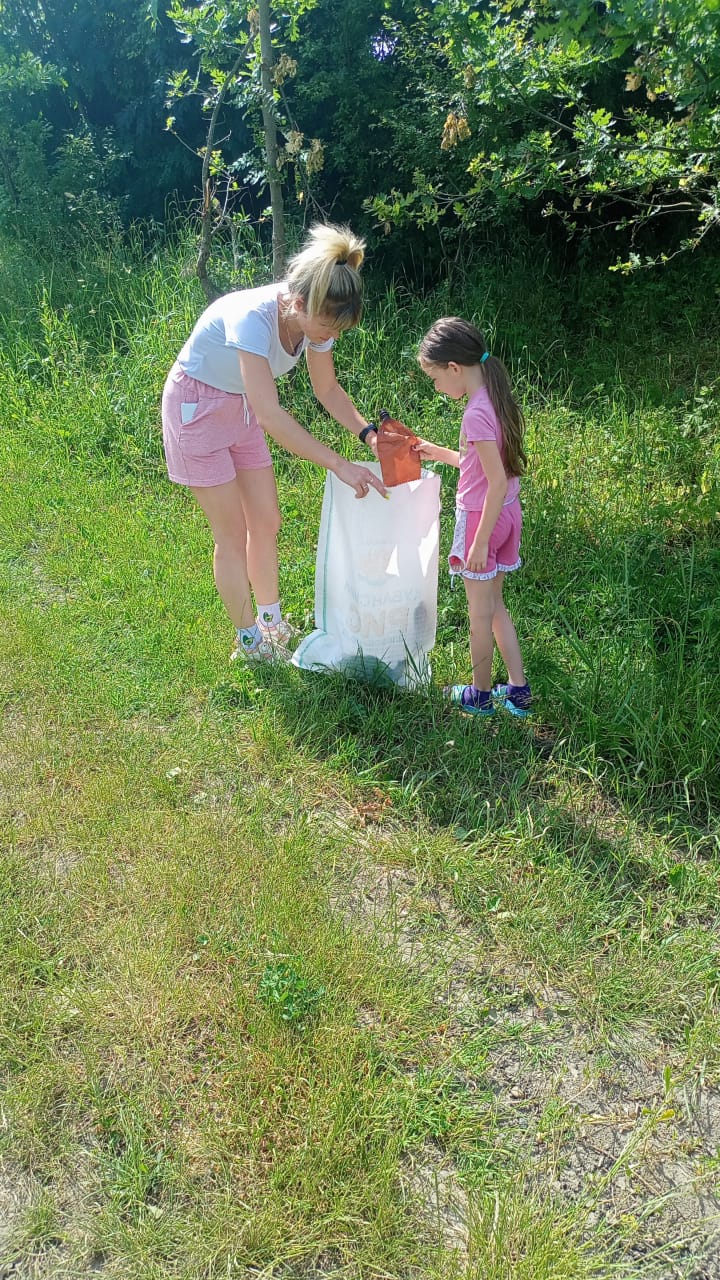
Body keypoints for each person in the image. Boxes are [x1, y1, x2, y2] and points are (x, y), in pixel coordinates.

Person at [161, 223, 384, 663]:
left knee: (266, 521)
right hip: (196, 408)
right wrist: (338, 464)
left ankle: (270, 622)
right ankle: (249, 643)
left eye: (337, 330)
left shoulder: (315, 320)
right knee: (232, 533)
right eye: (326, 327)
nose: (329, 337)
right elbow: (271, 415)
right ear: (298, 303)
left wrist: (367, 433)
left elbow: (328, 391)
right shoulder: (254, 318)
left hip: (240, 407)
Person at [414, 317, 532, 717]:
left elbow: (493, 483)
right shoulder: (496, 398)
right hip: (507, 514)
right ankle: (518, 689)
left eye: (434, 377)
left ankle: (480, 695)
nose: (436, 387)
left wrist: (478, 542)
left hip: (484, 518)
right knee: (495, 604)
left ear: (453, 368)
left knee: (478, 616)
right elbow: (481, 466)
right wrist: (441, 453)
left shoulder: (474, 414)